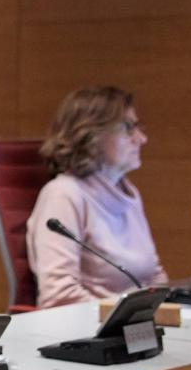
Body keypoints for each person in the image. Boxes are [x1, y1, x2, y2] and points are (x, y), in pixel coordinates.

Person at [27, 85, 167, 307]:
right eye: (128, 128)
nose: (142, 138)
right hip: (87, 333)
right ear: (90, 134)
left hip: (133, 328)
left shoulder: (128, 193)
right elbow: (59, 297)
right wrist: (121, 317)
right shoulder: (63, 195)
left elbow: (154, 277)